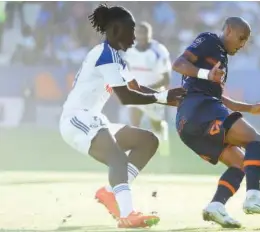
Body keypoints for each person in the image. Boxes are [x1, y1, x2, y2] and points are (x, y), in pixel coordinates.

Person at [59, 4, 185, 228]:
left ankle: (110, 192)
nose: (134, 38)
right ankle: (127, 213)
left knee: (147, 141)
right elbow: (127, 97)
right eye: (131, 31)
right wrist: (162, 98)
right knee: (116, 158)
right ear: (116, 30)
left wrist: (165, 97)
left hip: (94, 119)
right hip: (76, 120)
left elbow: (135, 87)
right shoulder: (105, 55)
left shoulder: (116, 58)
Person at [172, 17, 260, 228]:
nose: (242, 45)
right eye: (241, 38)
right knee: (254, 140)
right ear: (229, 30)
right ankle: (254, 197)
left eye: (246, 41)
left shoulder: (220, 57)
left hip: (188, 125)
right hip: (200, 109)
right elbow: (178, 64)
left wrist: (250, 108)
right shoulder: (209, 40)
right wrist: (206, 73)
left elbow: (218, 97)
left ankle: (216, 206)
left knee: (241, 165)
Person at [121, 21, 172, 156]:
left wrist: (146, 89)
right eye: (138, 33)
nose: (141, 36)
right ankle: (134, 155)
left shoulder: (159, 51)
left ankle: (163, 147)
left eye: (144, 33)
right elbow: (125, 71)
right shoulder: (129, 50)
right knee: (134, 123)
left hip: (154, 94)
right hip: (135, 94)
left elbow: (166, 79)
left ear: (150, 34)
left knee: (156, 125)